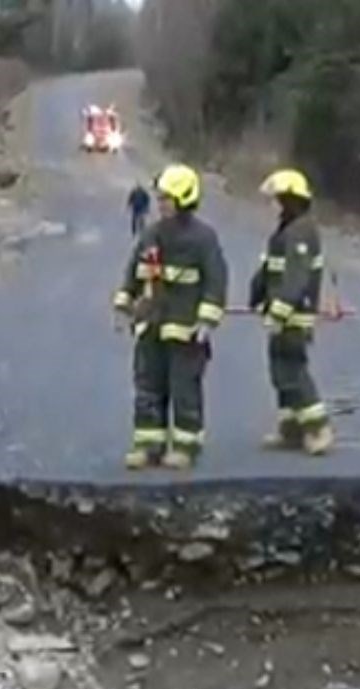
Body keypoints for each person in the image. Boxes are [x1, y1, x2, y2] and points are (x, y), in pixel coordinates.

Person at [112, 164, 228, 470]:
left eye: (167, 198)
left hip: (186, 329)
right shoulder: (151, 234)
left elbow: (216, 280)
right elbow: (134, 272)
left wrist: (206, 321)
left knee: (184, 388)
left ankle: (186, 446)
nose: (160, 203)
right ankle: (148, 445)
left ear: (184, 200)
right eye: (160, 198)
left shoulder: (203, 239)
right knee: (147, 385)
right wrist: (124, 305)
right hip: (150, 325)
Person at [249, 168, 334, 455]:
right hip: (282, 313)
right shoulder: (286, 231)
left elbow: (295, 278)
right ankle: (291, 428)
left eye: (276, 199)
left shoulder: (301, 232)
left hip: (294, 315)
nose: (271, 205)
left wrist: (279, 312)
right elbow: (270, 270)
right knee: (280, 371)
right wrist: (257, 298)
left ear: (289, 200)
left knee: (293, 370)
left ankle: (318, 428)